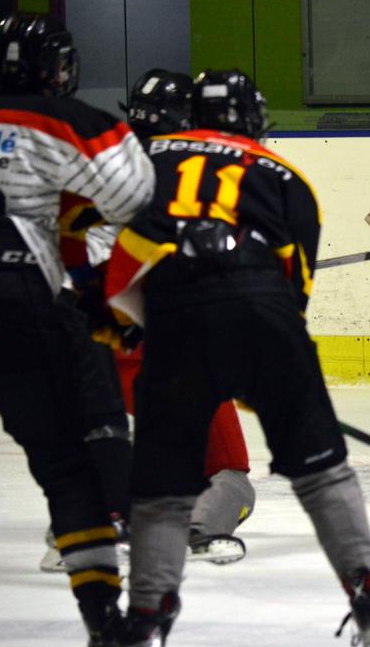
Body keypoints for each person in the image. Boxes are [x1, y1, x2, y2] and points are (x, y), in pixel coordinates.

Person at [104, 69, 370, 647]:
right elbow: (293, 298)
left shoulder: (145, 165)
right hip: (266, 321)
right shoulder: (287, 176)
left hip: (174, 326)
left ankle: (144, 623)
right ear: (253, 121)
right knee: (324, 475)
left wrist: (172, 334)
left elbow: (120, 278)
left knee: (162, 489)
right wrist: (258, 372)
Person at [0, 12, 154, 647]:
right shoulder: (75, 121)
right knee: (67, 466)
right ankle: (105, 622)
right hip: (19, 298)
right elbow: (136, 201)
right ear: (59, 69)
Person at [37, 69, 256, 573]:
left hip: (81, 336)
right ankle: (199, 528)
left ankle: (78, 525)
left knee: (99, 441)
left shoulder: (92, 162)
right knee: (229, 473)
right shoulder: (193, 175)